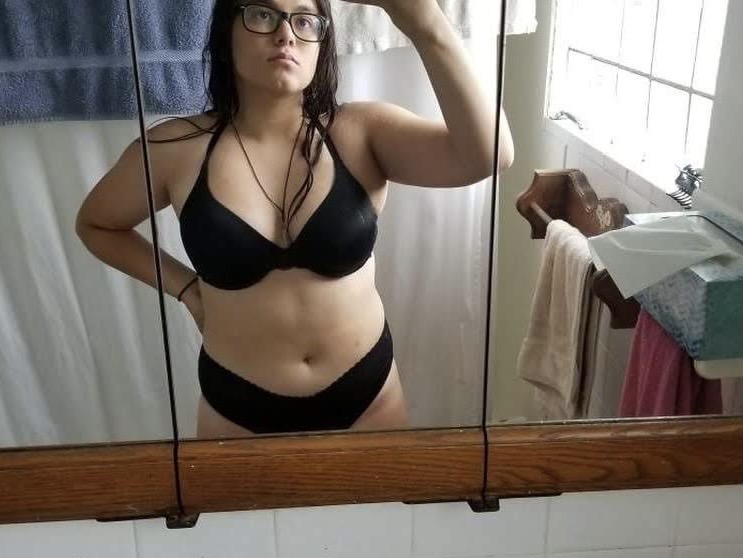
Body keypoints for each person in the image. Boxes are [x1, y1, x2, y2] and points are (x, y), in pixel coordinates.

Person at [75, 0, 514, 438]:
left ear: (321, 44)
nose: (286, 34)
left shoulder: (361, 132)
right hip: (236, 410)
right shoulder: (174, 149)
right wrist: (186, 290)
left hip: (369, 400)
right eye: (263, 14)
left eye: (304, 20)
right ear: (227, 33)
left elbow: (490, 154)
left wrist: (424, 22)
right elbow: (96, 224)